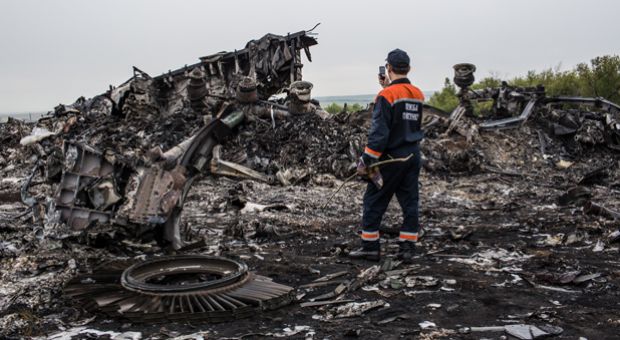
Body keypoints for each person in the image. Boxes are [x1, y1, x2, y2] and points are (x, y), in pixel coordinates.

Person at [349, 48, 424, 262]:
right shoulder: (418, 94)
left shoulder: (386, 95)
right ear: (408, 68)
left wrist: (367, 159)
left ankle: (370, 247)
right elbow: (405, 118)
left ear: (389, 68)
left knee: (374, 200)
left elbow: (379, 133)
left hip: (391, 158)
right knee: (410, 202)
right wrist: (386, 86)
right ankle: (407, 248)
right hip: (413, 155)